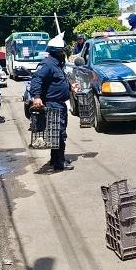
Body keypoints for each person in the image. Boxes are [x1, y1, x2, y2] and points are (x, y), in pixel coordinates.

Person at [30, 32, 80, 171]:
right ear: (57, 52)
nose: (64, 53)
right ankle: (59, 163)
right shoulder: (47, 64)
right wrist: (37, 97)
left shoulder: (57, 64)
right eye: (63, 51)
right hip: (52, 104)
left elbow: (58, 81)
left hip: (59, 104)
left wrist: (70, 87)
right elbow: (36, 80)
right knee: (59, 133)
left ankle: (55, 159)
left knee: (55, 132)